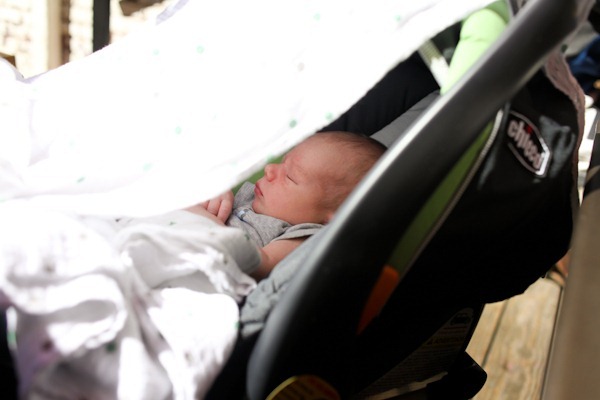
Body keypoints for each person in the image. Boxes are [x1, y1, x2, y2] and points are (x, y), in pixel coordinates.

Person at [186, 130, 387, 279]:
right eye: (282, 161)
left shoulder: (302, 237)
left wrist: (205, 219)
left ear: (334, 218)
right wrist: (215, 194)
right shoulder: (256, 198)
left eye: (290, 177)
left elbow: (260, 264)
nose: (269, 169)